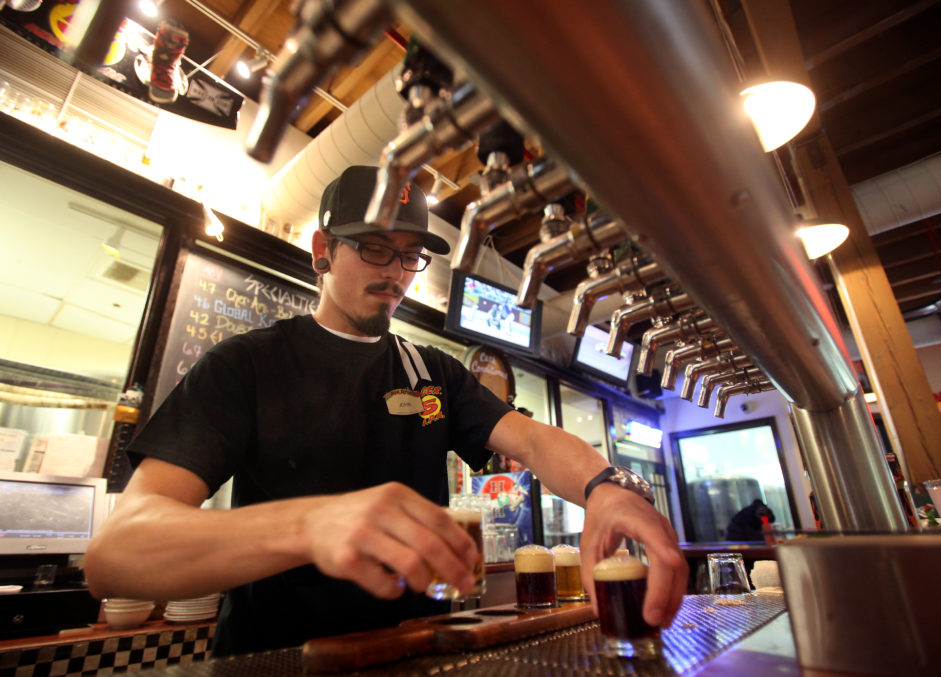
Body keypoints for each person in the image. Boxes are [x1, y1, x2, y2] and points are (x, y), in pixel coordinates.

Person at [85, 165, 686, 656]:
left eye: (410, 256)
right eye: (375, 249)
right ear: (323, 250)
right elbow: (115, 556)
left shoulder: (432, 371)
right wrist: (312, 524)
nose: (396, 274)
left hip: (409, 655)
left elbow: (532, 441)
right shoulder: (248, 364)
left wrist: (607, 487)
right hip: (274, 662)